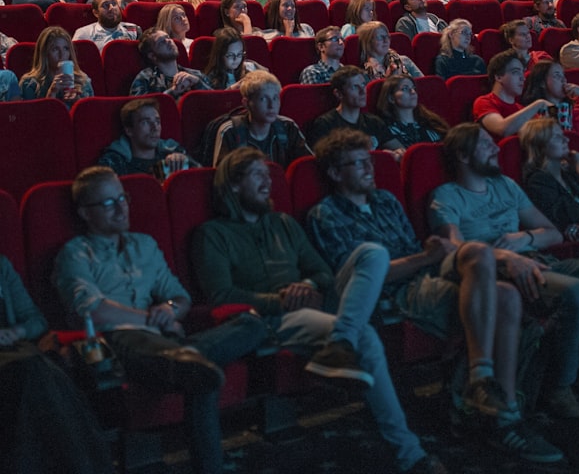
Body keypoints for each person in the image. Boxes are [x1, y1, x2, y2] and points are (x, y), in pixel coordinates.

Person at [308, 129, 563, 464]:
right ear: (335, 173)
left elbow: (419, 253)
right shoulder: (327, 214)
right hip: (395, 291)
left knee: (480, 256)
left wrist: (431, 256)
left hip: (424, 274)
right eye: (357, 164)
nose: (369, 169)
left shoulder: (385, 200)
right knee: (506, 299)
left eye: (368, 161)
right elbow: (361, 279)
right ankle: (504, 417)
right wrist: (426, 258)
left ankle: (485, 386)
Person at [194, 146, 447, 474]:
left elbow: (324, 273)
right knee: (366, 335)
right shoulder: (212, 234)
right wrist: (282, 299)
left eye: (269, 174)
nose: (268, 181)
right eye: (257, 174)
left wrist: (309, 286)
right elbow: (221, 294)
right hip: (274, 317)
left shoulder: (283, 222)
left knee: (373, 252)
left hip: (317, 301)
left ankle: (340, 343)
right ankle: (410, 454)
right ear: (233, 185)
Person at [54, 165, 266, 474]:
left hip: (166, 341)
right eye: (108, 203)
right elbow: (91, 310)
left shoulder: (145, 245)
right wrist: (150, 319)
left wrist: (169, 310)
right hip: (119, 344)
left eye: (122, 198)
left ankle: (188, 359)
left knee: (252, 323)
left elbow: (179, 297)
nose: (121, 207)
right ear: (85, 213)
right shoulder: (75, 254)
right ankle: (189, 364)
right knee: (192, 371)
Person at [429, 122, 579, 419]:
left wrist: (525, 237)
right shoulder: (446, 196)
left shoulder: (506, 185)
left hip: (536, 256)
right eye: (485, 144)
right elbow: (456, 249)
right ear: (463, 155)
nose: (496, 148)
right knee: (578, 293)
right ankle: (560, 385)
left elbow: (553, 233)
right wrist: (505, 256)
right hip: (495, 269)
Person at [0, 252, 115, 474]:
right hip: (17, 367)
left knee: (44, 373)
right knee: (38, 375)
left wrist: (17, 331)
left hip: (19, 356)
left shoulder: (1, 265)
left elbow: (35, 319)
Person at [211, 71, 311, 168]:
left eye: (275, 98)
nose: (271, 105)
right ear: (246, 103)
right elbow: (223, 178)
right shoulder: (230, 131)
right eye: (263, 99)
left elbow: (307, 166)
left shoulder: (288, 126)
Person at [519, 117, 579, 236]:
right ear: (540, 146)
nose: (566, 139)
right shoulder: (538, 182)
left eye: (563, 135)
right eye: (557, 137)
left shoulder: (568, 173)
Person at [307, 65, 403, 157]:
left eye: (363, 85)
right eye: (355, 87)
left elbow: (400, 150)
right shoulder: (325, 124)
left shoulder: (373, 122)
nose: (362, 91)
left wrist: (396, 154)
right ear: (339, 94)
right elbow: (323, 161)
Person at [98, 97, 198, 178]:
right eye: (145, 122)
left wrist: (186, 161)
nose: (155, 128)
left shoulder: (173, 152)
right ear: (129, 130)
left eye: (157, 122)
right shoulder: (114, 163)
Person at [471, 51, 553, 138]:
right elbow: (501, 129)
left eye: (522, 72)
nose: (523, 78)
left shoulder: (521, 109)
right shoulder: (484, 102)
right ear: (499, 77)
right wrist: (538, 104)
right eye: (516, 72)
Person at [20, 26, 93, 105]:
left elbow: (91, 114)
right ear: (45, 54)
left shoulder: (82, 80)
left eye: (66, 48)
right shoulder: (30, 83)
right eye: (55, 49)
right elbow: (31, 116)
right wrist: (52, 93)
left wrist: (77, 102)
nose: (62, 54)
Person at [130, 27, 211, 98]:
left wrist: (198, 83)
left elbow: (217, 101)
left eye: (168, 37)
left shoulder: (195, 75)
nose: (169, 41)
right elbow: (139, 109)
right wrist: (172, 92)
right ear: (152, 55)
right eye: (161, 42)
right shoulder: (145, 78)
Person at [376, 76, 448, 153]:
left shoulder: (430, 121)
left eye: (414, 88)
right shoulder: (386, 130)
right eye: (405, 89)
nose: (413, 92)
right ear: (391, 98)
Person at [73, 0, 141, 51]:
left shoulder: (134, 29)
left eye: (114, 4)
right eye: (105, 5)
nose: (111, 8)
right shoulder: (83, 34)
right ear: (96, 13)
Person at [358, 21, 423, 81]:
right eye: (380, 37)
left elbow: (422, 85)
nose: (386, 40)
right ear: (368, 42)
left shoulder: (404, 60)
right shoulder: (363, 73)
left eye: (387, 37)